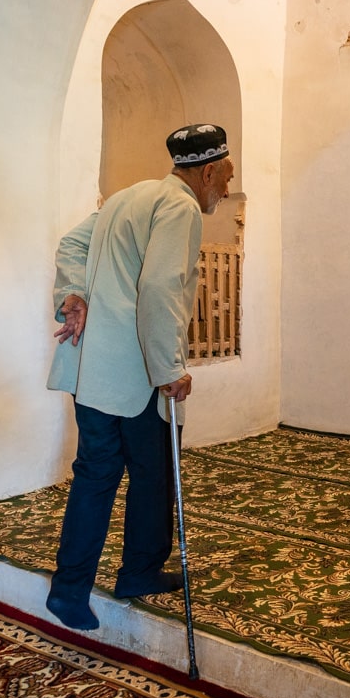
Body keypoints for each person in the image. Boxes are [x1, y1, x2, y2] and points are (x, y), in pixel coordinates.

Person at [43, 123, 235, 631]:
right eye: (227, 177)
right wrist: (170, 369)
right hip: (137, 375)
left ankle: (69, 591)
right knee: (153, 475)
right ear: (209, 171)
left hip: (93, 372)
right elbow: (160, 288)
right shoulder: (181, 207)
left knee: (96, 476)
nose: (228, 189)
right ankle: (139, 572)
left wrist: (74, 292)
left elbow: (71, 245)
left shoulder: (128, 198)